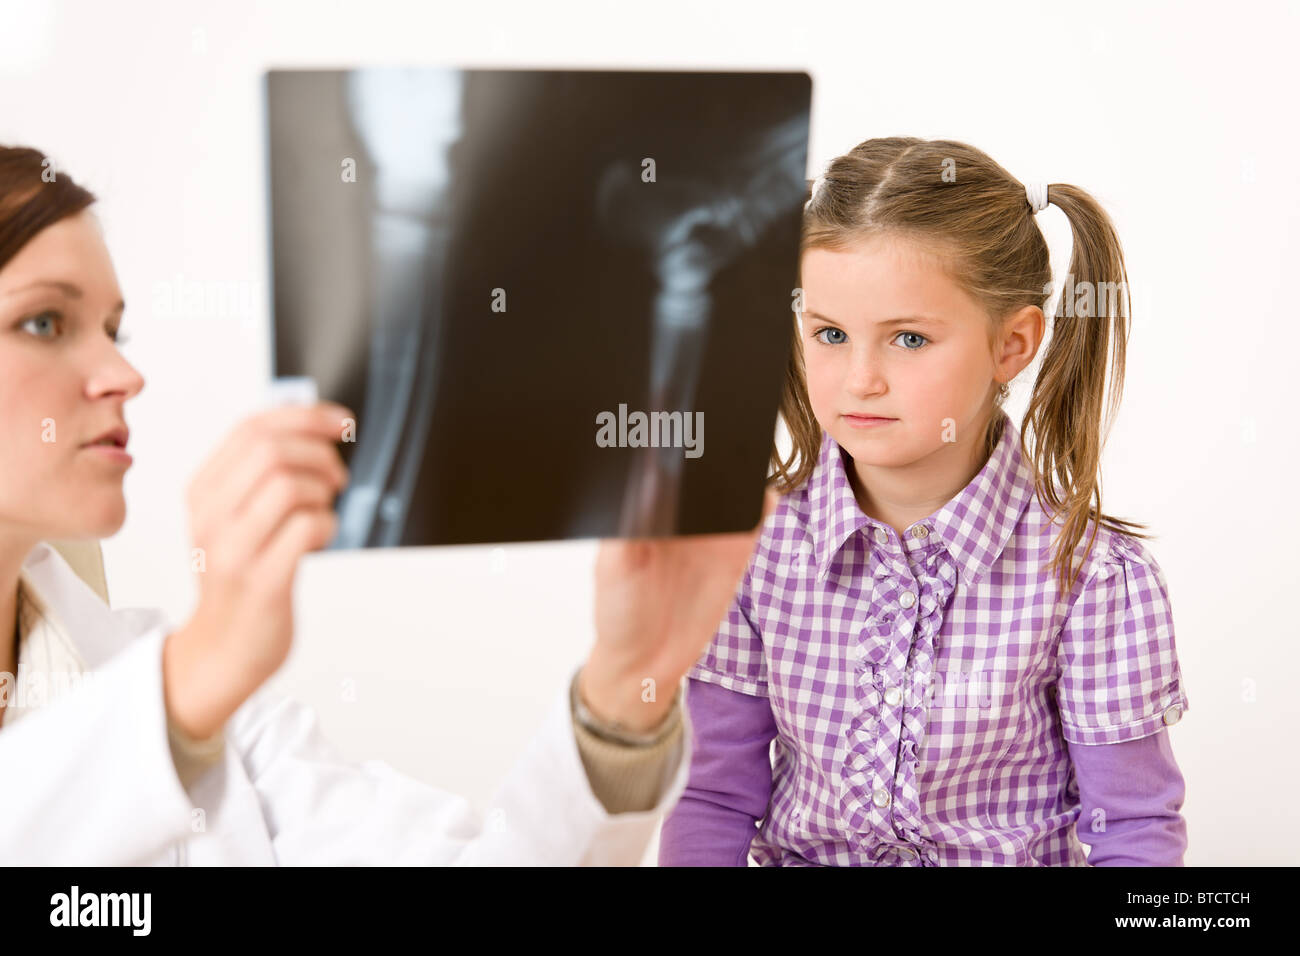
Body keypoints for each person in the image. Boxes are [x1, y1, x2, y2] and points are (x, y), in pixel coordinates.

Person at [0, 144, 772, 865]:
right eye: (45, 322)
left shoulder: (189, 698)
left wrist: (624, 688)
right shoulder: (185, 683)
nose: (122, 373)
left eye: (113, 329)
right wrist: (193, 678)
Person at [660, 137, 1190, 866]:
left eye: (908, 338)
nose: (861, 380)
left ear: (1013, 344)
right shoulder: (753, 552)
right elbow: (714, 801)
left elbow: (1131, 829)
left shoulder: (1094, 581)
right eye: (831, 334)